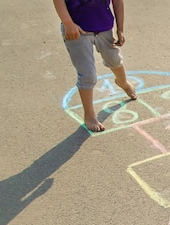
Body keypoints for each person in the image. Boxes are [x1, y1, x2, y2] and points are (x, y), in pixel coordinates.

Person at [53, 0, 137, 132]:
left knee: (114, 59)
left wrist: (120, 29)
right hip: (77, 29)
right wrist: (68, 23)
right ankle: (90, 115)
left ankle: (123, 82)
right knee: (87, 75)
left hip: (103, 26)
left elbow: (118, 2)